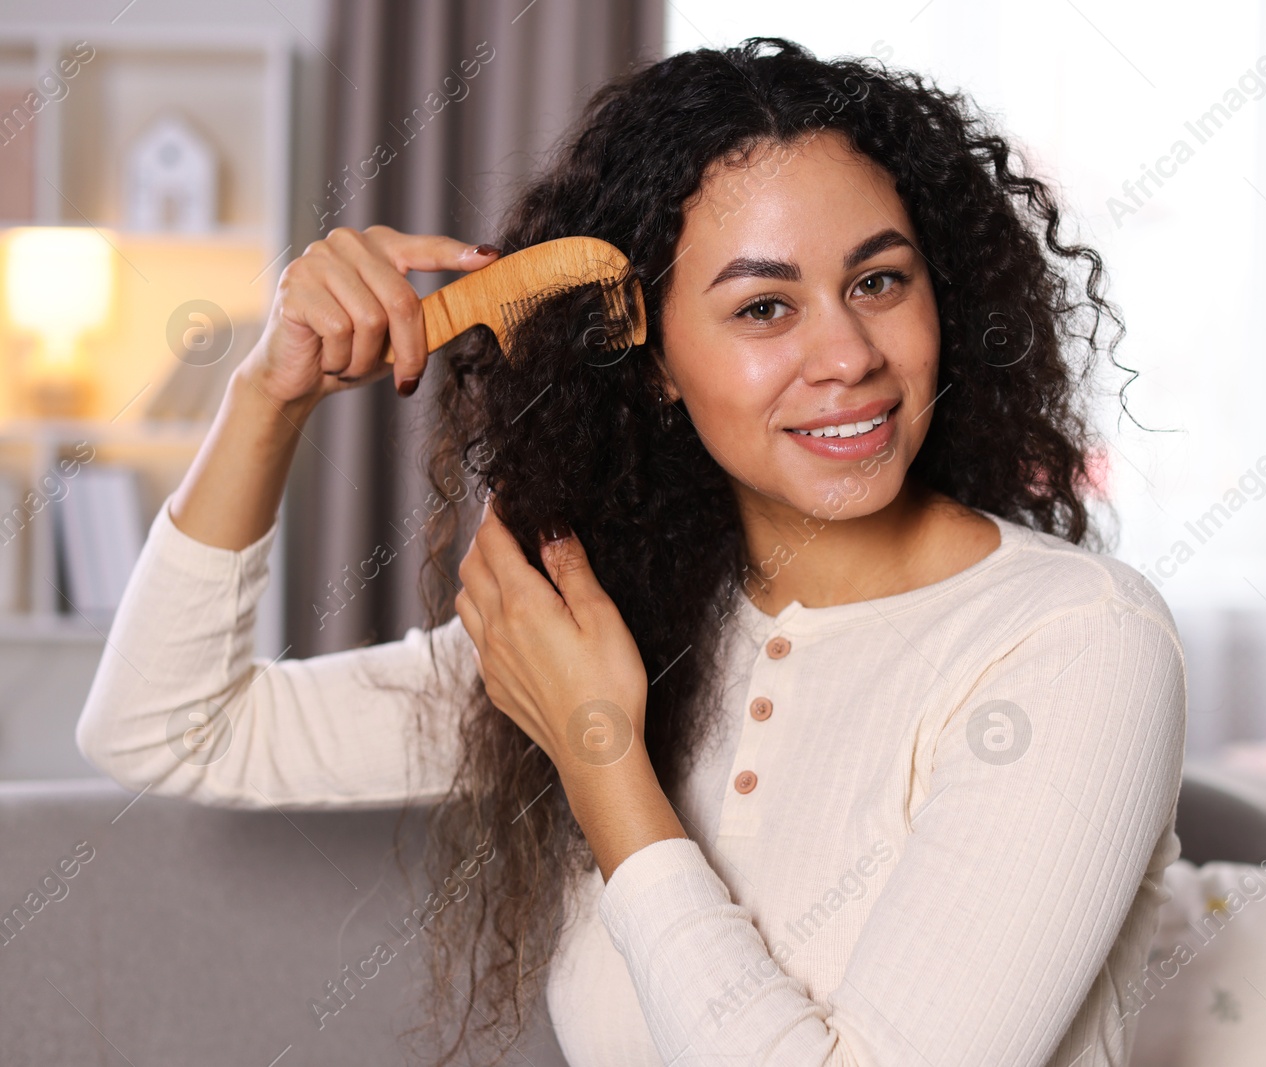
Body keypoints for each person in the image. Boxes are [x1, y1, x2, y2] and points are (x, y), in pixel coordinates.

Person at [76, 37, 1186, 1067]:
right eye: (762, 307)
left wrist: (599, 755)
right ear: (650, 360)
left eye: (878, 281)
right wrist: (268, 394)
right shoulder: (622, 621)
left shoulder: (1074, 642)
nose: (846, 354)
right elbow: (166, 727)